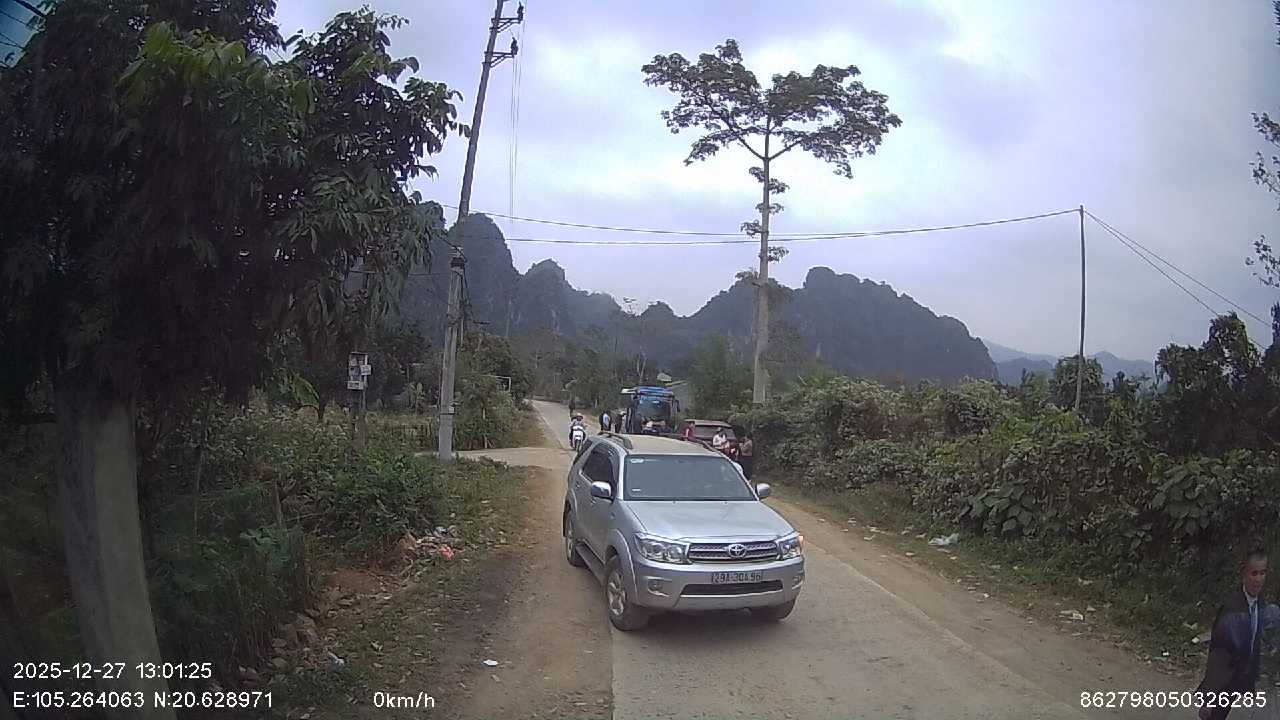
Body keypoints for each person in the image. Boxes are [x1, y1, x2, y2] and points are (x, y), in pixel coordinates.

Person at [1197, 546, 1270, 719]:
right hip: (1225, 680)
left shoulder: (1261, 604)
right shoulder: (1231, 610)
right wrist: (1209, 698)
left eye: (1262, 573)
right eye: (1254, 573)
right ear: (1244, 574)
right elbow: (1218, 655)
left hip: (1242, 677)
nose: (1258, 579)